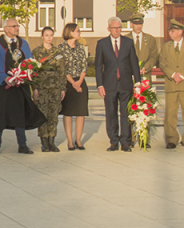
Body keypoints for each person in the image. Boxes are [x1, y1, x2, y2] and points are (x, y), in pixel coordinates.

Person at [0, 18, 45, 155]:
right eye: (13, 26)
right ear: (5, 29)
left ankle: (22, 145)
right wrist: (5, 78)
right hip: (1, 87)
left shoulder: (23, 43)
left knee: (19, 115)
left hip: (20, 86)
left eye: (17, 26)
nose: (17, 28)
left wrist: (26, 78)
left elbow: (30, 64)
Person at [94, 16, 141, 152]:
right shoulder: (102, 44)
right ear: (109, 29)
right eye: (114, 28)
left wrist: (137, 82)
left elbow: (134, 63)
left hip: (125, 83)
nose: (117, 30)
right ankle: (114, 140)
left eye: (119, 27)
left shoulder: (128, 42)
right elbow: (98, 66)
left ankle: (125, 141)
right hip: (109, 84)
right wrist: (100, 85)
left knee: (125, 113)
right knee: (111, 113)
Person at [160, 20, 184, 149]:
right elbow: (162, 63)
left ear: (181, 32)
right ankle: (171, 138)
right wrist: (172, 75)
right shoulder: (166, 46)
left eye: (173, 31)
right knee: (170, 113)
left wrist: (181, 75)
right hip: (171, 84)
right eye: (170, 31)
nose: (170, 33)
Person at [32, 26, 64, 153]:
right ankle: (44, 142)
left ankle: (52, 141)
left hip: (55, 87)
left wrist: (63, 88)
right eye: (46, 35)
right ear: (42, 36)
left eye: (51, 35)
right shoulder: (36, 52)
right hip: (42, 87)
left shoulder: (58, 52)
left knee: (53, 114)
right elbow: (33, 71)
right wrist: (34, 88)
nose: (49, 38)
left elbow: (62, 71)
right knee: (42, 114)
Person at [59, 23, 89, 150]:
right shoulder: (60, 48)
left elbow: (84, 66)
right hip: (68, 82)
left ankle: (78, 140)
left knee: (81, 112)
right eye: (77, 30)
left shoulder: (81, 47)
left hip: (80, 82)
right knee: (69, 113)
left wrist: (79, 82)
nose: (79, 32)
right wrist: (73, 83)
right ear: (70, 32)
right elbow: (61, 68)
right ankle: (70, 141)